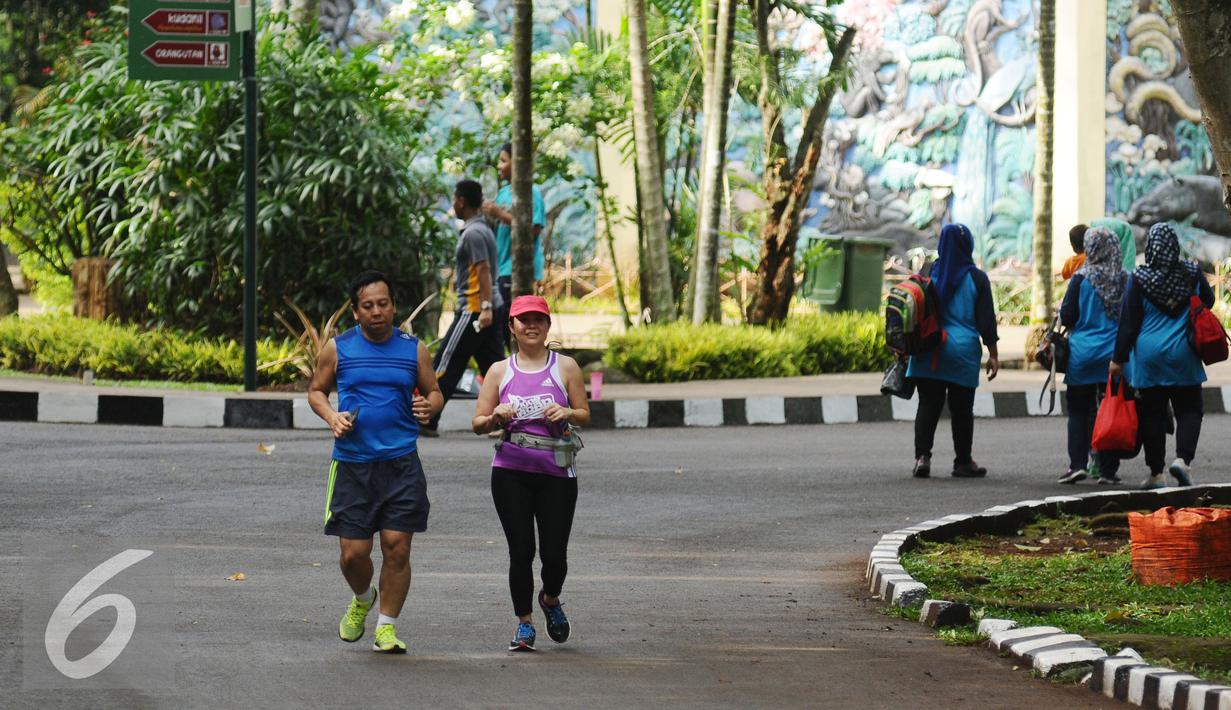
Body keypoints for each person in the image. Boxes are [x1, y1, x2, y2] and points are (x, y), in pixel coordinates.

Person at [309, 271, 444, 653]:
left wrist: (427, 407)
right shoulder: (339, 348)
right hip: (353, 464)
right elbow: (316, 391)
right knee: (352, 554)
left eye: (383, 303)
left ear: (394, 307)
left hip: (401, 463)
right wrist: (332, 416)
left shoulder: (412, 349)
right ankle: (363, 598)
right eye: (368, 305)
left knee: (397, 547)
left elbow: (435, 393)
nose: (377, 311)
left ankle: (387, 627)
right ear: (356, 312)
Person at [472, 295, 590, 652]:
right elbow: (477, 423)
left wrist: (566, 412)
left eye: (538, 318)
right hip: (510, 472)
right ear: (512, 327)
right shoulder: (499, 371)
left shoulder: (565, 367)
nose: (531, 325)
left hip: (556, 472)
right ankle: (524, 624)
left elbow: (584, 413)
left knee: (554, 555)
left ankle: (550, 599)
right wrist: (496, 416)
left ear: (548, 324)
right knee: (521, 551)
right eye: (524, 320)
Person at [1111, 223, 1213, 490]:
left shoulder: (1139, 277)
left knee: (1152, 415)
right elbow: (1210, 300)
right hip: (1184, 354)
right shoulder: (1191, 273)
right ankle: (1183, 461)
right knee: (1190, 409)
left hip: (1148, 358)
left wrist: (1118, 358)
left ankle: (1157, 473)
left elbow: (1129, 322)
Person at [908, 223, 1000, 478]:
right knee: (961, 410)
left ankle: (922, 458)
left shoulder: (926, 273)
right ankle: (962, 461)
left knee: (928, 405)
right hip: (962, 353)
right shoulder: (977, 278)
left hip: (928, 349)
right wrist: (993, 354)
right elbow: (986, 321)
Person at [423, 179, 506, 435]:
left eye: (455, 199)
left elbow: (483, 269)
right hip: (488, 308)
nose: (454, 204)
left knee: (446, 361)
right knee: (495, 368)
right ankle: (509, 418)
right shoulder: (483, 229)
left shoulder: (473, 233)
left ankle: (426, 418)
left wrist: (485, 307)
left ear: (460, 200)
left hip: (474, 310)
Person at [1057, 227, 1130, 485]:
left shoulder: (1080, 278)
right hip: (1114, 356)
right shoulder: (1124, 279)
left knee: (1078, 411)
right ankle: (1106, 469)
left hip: (1082, 354)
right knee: (1109, 408)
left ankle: (1077, 464)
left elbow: (1067, 316)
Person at [483, 143, 547, 352]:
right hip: (500, 268)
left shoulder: (532, 192)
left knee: (511, 328)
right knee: (500, 329)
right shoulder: (503, 193)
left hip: (517, 270)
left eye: (503, 160)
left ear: (517, 162)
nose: (499, 166)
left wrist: (500, 214)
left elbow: (534, 229)